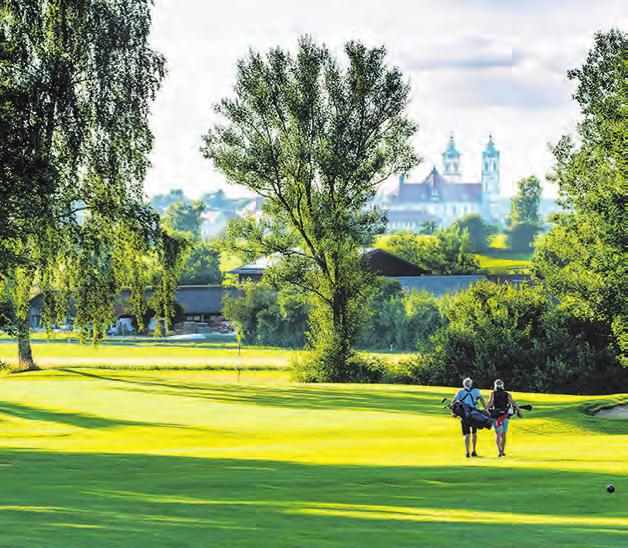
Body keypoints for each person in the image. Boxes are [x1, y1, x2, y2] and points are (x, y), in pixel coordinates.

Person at [452, 377, 487, 458]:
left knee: (466, 434)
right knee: (474, 433)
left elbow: (454, 401)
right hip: (474, 414)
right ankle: (474, 451)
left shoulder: (460, 392)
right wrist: (486, 409)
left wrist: (453, 413)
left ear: (463, 384)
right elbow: (481, 399)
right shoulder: (476, 391)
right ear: (471, 384)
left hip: (464, 415)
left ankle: (467, 451)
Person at [486, 379, 521, 457]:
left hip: (496, 416)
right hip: (505, 415)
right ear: (503, 385)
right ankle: (503, 451)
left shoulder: (493, 393)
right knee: (504, 433)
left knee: (498, 433)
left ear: (495, 385)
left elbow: (490, 402)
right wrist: (519, 410)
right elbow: (513, 403)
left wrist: (485, 410)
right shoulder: (507, 394)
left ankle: (500, 451)